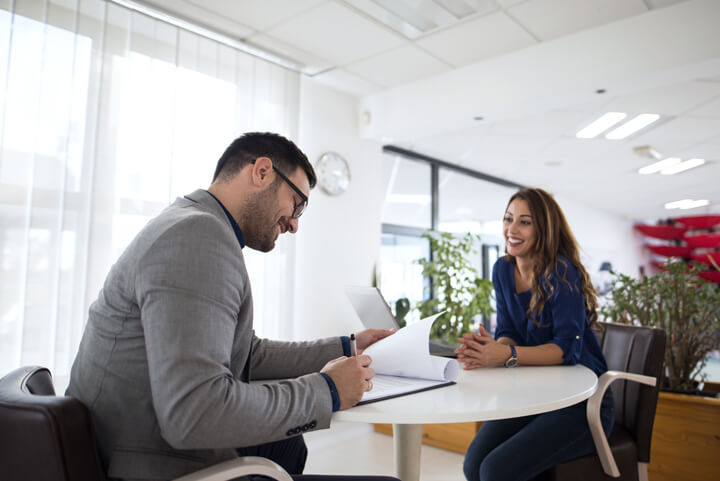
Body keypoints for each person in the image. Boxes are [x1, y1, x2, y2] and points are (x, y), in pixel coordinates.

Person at [66, 132, 398, 481]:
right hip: (147, 460)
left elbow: (246, 353)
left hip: (126, 438)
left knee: (288, 446)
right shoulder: (197, 236)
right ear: (262, 172)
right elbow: (194, 413)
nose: (295, 224)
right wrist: (327, 390)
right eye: (297, 204)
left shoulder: (190, 222)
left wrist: (347, 347)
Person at [456, 187, 614, 481]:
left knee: (495, 471)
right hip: (535, 394)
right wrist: (492, 349)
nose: (511, 230)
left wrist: (505, 354)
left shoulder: (562, 273)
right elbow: (508, 331)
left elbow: (568, 351)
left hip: (582, 402)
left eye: (524, 222)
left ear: (544, 229)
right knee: (473, 464)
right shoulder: (502, 269)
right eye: (508, 218)